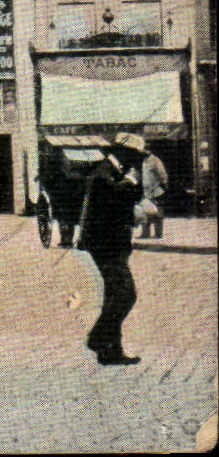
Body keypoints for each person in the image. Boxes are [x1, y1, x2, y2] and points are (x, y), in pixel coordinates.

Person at [77, 132, 146, 365]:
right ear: (125, 152)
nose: (138, 161)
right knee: (126, 295)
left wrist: (132, 183)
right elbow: (115, 197)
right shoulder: (105, 174)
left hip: (112, 244)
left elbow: (129, 199)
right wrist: (131, 182)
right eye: (136, 156)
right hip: (106, 246)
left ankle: (110, 352)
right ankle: (97, 338)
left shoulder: (113, 172)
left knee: (113, 296)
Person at [138, 147, 167, 239]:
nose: (144, 151)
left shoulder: (155, 160)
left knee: (157, 211)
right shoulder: (143, 161)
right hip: (146, 191)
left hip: (156, 189)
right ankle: (145, 233)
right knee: (146, 211)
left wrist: (163, 188)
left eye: (146, 149)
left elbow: (163, 175)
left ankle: (158, 233)